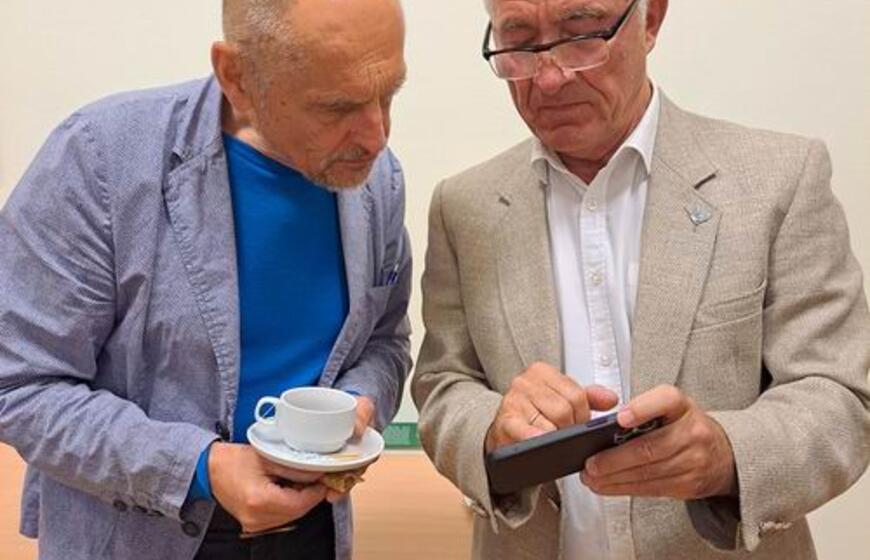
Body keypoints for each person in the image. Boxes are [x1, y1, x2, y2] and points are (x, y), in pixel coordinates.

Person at [411, 0, 870, 558]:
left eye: (582, 33)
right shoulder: (464, 207)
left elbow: (841, 398)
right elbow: (442, 385)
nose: (550, 78)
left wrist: (725, 454)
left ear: (650, 19)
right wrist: (492, 431)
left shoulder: (778, 179)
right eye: (520, 43)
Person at [0, 0, 411, 559]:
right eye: (336, 107)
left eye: (389, 94)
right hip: (134, 532)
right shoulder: (100, 161)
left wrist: (360, 402)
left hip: (313, 533)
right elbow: (20, 385)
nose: (377, 136)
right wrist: (198, 468)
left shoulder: (378, 183)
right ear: (237, 77)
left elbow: (385, 341)